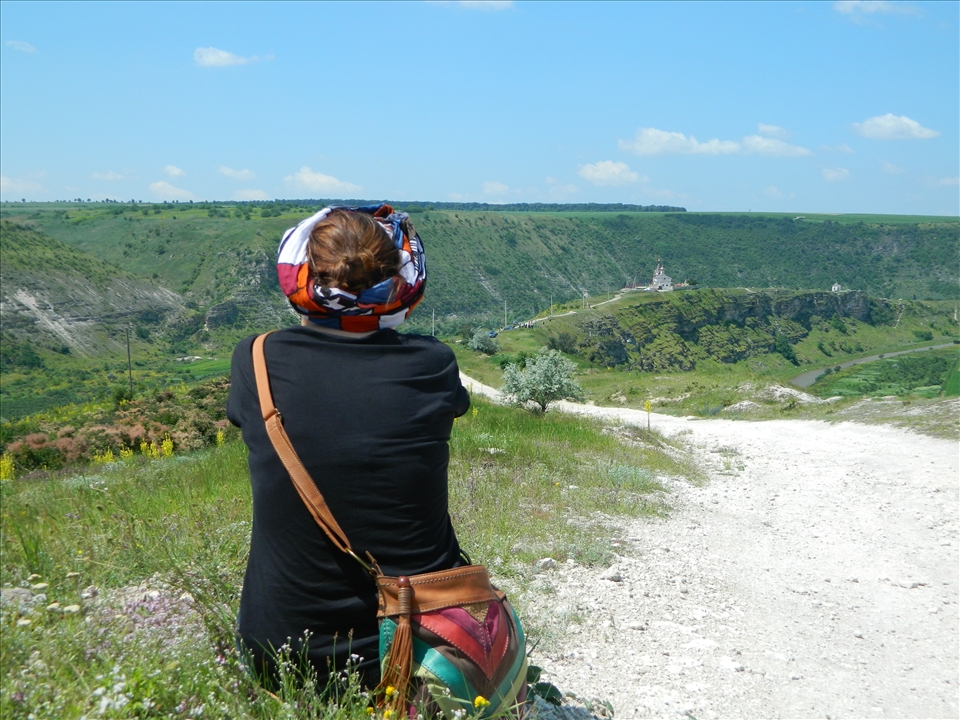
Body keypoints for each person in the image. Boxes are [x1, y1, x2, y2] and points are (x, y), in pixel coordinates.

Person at [226, 204, 469, 688]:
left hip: (284, 655)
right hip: (422, 645)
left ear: (299, 276)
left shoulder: (256, 359)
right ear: (403, 279)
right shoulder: (434, 364)